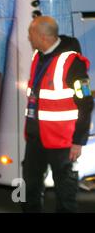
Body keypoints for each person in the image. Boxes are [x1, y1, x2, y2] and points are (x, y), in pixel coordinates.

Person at [22, 15, 93, 213]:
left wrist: (78, 141)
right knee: (30, 187)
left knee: (65, 192)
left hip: (62, 142)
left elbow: (86, 104)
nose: (28, 38)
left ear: (41, 36)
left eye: (30, 34)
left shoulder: (72, 63)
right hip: (36, 138)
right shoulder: (38, 56)